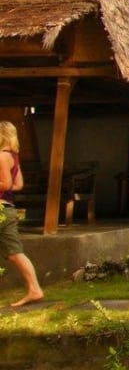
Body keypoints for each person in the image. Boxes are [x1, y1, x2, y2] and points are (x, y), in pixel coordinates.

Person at [0, 121, 43, 307]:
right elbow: (18, 185)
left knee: (14, 253)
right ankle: (34, 289)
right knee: (15, 253)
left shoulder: (1, 156)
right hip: (8, 208)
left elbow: (7, 184)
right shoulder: (13, 157)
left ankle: (35, 289)